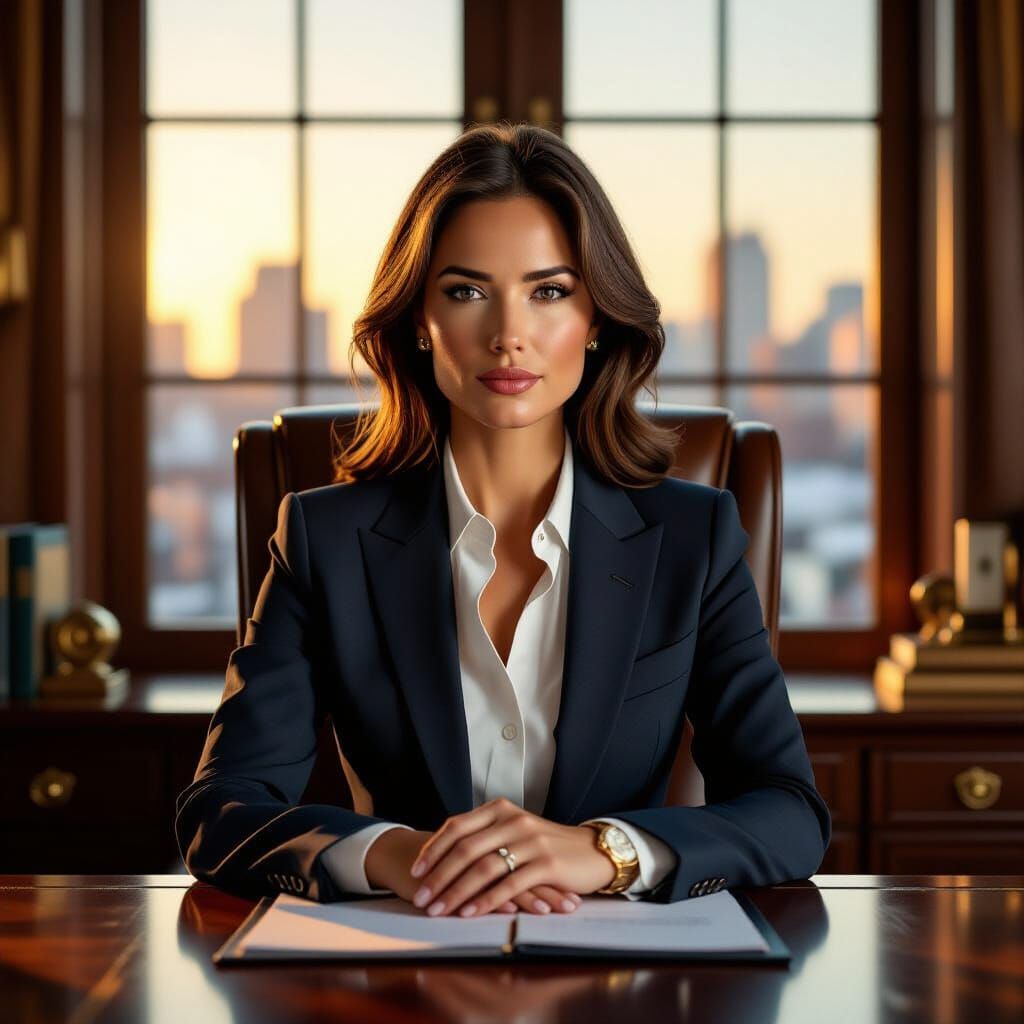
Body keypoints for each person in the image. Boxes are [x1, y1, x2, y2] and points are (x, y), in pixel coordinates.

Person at [175, 122, 831, 920]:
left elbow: (789, 810)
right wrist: (398, 853)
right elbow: (221, 812)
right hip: (402, 975)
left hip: (630, 985)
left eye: (548, 291)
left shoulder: (694, 538)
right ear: (420, 320)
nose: (508, 333)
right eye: (466, 290)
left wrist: (605, 852)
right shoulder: (325, 540)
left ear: (596, 321)